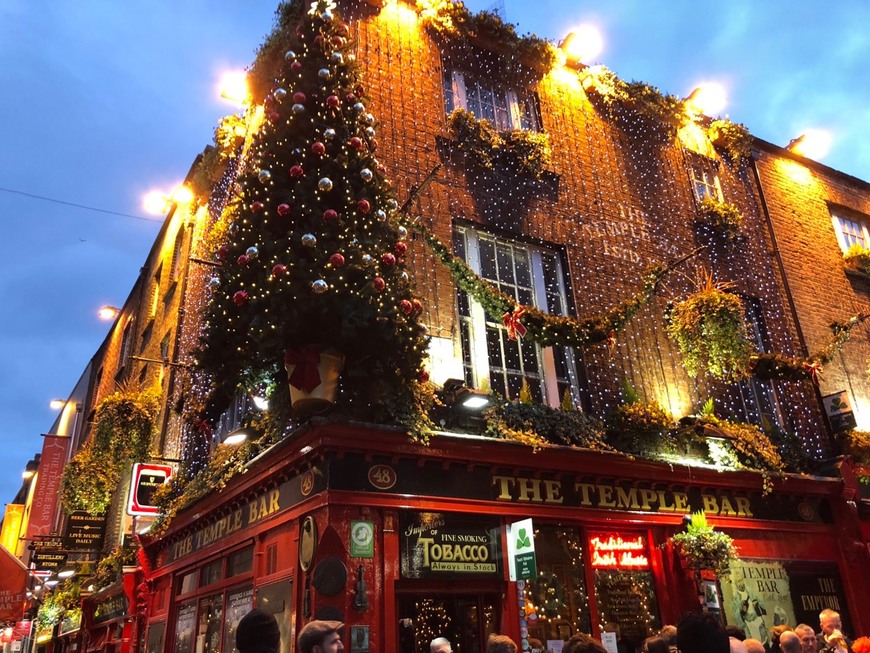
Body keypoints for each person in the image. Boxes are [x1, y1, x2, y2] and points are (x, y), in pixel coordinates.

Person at [730, 570, 769, 645]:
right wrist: (740, 610)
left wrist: (757, 604)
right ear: (736, 584)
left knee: (764, 642)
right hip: (749, 625)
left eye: (741, 580)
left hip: (758, 620)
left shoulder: (750, 591)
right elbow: (735, 616)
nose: (740, 582)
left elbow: (761, 603)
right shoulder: (736, 599)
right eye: (738, 581)